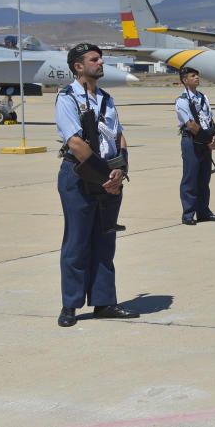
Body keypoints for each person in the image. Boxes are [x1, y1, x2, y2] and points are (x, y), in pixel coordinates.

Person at [55, 43, 138, 328]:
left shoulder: (107, 98)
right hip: (79, 176)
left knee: (105, 240)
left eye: (100, 58)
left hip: (109, 176)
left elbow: (120, 137)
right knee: (77, 242)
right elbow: (75, 143)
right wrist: (106, 176)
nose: (100, 62)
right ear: (78, 66)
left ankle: (104, 302)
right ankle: (70, 305)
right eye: (94, 59)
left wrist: (121, 169)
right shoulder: (67, 98)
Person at [176, 67, 215, 226]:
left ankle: (203, 211)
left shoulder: (203, 97)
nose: (197, 78)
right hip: (191, 141)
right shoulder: (182, 101)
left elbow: (209, 119)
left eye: (197, 75)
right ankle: (188, 213)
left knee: (204, 178)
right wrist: (207, 139)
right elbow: (191, 125)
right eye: (192, 75)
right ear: (185, 80)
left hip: (204, 140)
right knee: (191, 178)